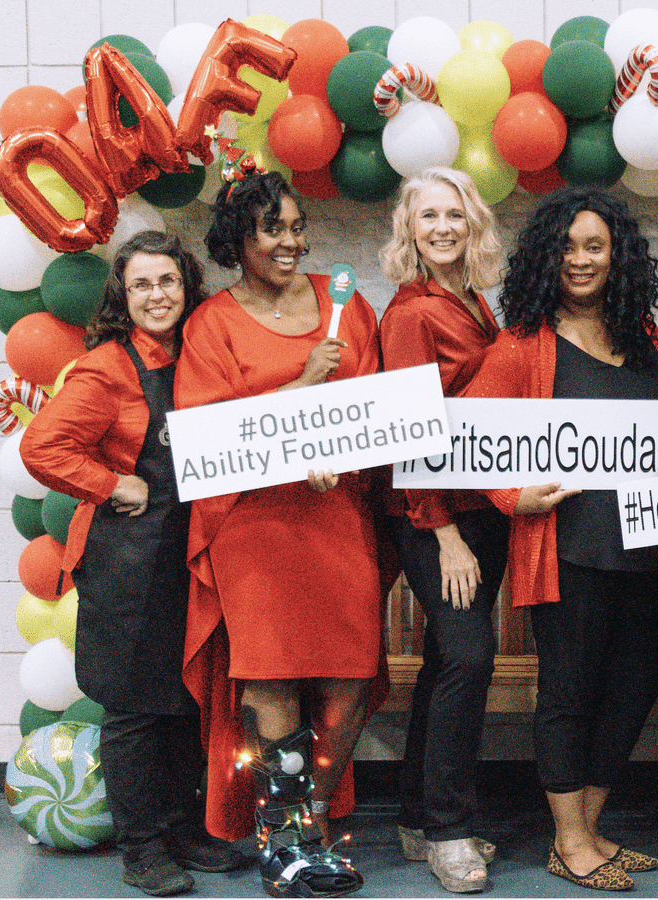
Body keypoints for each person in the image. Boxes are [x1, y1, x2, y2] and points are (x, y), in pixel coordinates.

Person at [175, 171, 384, 898]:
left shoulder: (346, 301)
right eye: (274, 230)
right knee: (271, 676)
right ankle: (286, 837)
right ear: (240, 241)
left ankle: (318, 813)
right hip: (255, 526)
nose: (291, 242)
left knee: (351, 673)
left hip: (338, 517)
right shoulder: (210, 323)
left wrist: (343, 452)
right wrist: (299, 387)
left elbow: (379, 407)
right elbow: (205, 436)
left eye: (297, 227)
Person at [21, 231, 248, 896]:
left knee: (180, 698)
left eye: (168, 282)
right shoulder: (109, 370)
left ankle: (180, 828)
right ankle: (141, 845)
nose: (157, 296)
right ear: (123, 295)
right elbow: (43, 446)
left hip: (186, 556)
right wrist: (112, 482)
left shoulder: (198, 357)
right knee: (133, 707)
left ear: (187, 289)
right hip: (126, 564)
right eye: (142, 285)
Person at [463, 188, 658, 892]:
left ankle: (586, 826)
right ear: (547, 258)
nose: (580, 260)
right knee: (570, 693)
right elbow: (465, 435)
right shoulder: (523, 345)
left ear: (618, 256)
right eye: (568, 247)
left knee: (636, 686)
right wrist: (510, 497)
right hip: (569, 551)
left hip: (645, 546)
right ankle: (571, 839)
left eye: (595, 246)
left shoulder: (645, 335)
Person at [377, 168, 508, 893]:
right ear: (410, 229)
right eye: (428, 217)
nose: (443, 228)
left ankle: (414, 817)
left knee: (443, 662)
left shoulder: (472, 301)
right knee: (468, 656)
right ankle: (450, 832)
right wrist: (444, 533)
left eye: (454, 215)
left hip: (481, 510)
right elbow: (409, 430)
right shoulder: (410, 314)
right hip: (436, 516)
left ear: (472, 223)